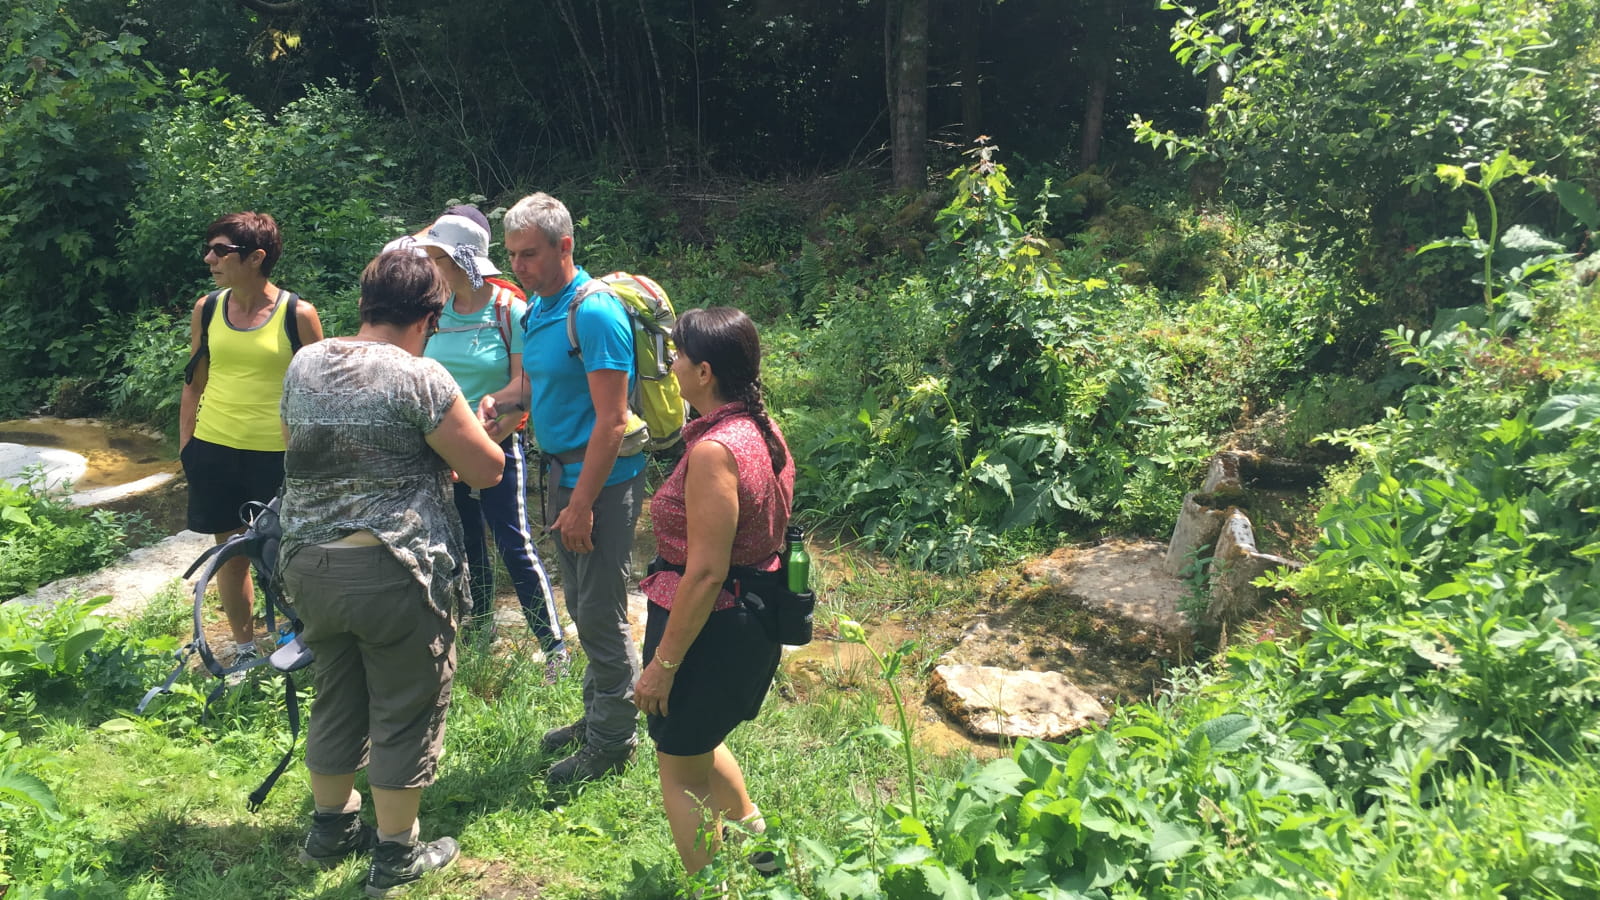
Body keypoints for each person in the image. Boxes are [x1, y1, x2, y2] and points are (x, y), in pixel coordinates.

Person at [279, 251, 505, 897]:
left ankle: (329, 830)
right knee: (405, 707)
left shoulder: (305, 363)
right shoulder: (422, 377)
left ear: (364, 302)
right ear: (429, 317)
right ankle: (396, 855)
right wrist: (478, 438)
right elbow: (486, 469)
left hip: (308, 565)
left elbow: (305, 442)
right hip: (392, 569)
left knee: (337, 691)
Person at [480, 192, 646, 787]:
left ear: (565, 246)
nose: (517, 267)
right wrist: (504, 401)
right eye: (512, 255)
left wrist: (581, 505)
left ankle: (613, 741)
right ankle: (599, 711)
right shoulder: (540, 309)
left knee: (600, 614)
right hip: (559, 476)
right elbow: (535, 381)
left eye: (529, 255)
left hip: (599, 483)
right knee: (580, 605)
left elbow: (613, 419)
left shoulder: (594, 312)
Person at [631, 307, 794, 880]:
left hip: (709, 627)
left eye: (676, 355)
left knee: (678, 769)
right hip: (752, 616)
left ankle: (714, 889)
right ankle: (762, 855)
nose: (669, 365)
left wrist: (663, 665)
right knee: (700, 743)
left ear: (702, 372)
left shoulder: (714, 452)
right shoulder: (761, 428)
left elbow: (703, 574)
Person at [414, 212, 565, 676]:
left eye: (437, 258)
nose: (430, 267)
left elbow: (527, 380)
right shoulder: (432, 314)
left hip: (500, 444)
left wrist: (498, 428)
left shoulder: (509, 308)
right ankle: (479, 633)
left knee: (513, 541)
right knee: (463, 544)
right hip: (443, 451)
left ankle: (553, 645)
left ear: (462, 259)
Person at [179, 212, 323, 663]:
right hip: (216, 448)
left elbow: (318, 392)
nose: (210, 259)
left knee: (289, 555)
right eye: (210, 248)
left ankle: (301, 640)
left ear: (257, 257)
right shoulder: (207, 309)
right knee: (230, 553)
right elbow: (194, 382)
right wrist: (188, 445)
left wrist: (314, 459)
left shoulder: (298, 314)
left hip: (278, 456)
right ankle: (243, 649)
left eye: (221, 251)